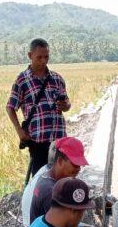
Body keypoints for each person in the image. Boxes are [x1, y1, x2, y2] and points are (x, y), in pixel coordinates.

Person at [7, 38, 71, 181]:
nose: (43, 61)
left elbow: (67, 104)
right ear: (30, 56)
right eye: (39, 57)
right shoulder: (22, 80)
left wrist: (65, 105)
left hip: (59, 139)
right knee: (41, 181)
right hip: (38, 141)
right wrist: (19, 131)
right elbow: (10, 107)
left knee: (61, 180)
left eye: (46, 57)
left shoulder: (57, 78)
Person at [29, 136, 88, 224]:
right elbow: (63, 225)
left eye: (80, 165)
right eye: (75, 164)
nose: (78, 169)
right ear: (60, 161)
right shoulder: (50, 190)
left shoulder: (46, 176)